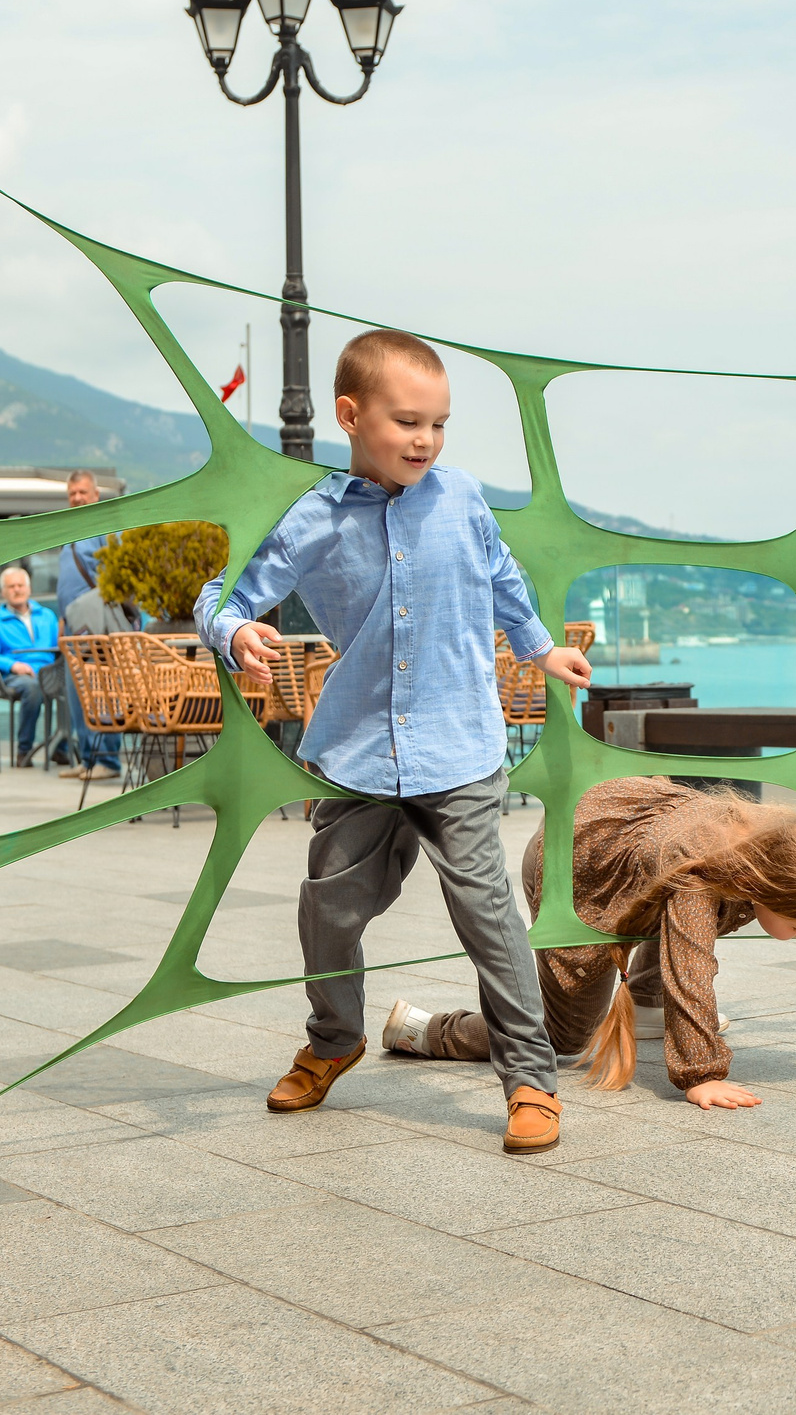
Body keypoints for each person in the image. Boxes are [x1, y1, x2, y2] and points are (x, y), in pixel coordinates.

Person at [198, 328, 597, 1154]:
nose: (426, 440)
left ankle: (531, 1077)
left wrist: (540, 647)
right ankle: (334, 1038)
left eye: (439, 423)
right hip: (358, 752)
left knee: (488, 915)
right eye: (407, 421)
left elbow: (502, 576)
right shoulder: (311, 517)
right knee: (328, 910)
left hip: (460, 748)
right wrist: (234, 630)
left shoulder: (462, 498)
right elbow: (225, 591)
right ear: (350, 415)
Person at [383, 777, 796, 1106]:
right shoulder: (698, 873)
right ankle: (429, 1029)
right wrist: (701, 1074)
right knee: (565, 1035)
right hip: (576, 867)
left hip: (635, 846)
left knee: (690, 920)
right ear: (763, 886)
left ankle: (646, 1006)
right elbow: (691, 966)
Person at [52, 470, 125, 782]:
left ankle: (107, 760)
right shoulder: (70, 532)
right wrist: (62, 620)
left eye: (82, 492)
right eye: (72, 494)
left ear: (96, 494)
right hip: (73, 625)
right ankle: (88, 759)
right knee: (77, 693)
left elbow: (117, 574)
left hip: (96, 624)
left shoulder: (104, 528)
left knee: (100, 689)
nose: (77, 498)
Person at [0, 565, 59, 768]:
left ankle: (62, 747)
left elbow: (59, 648)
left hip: (49, 672)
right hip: (15, 677)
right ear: (3, 592)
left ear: (29, 588)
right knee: (32, 688)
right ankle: (24, 750)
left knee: (75, 684)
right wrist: (13, 665)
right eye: (11, 586)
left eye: (21, 585)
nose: (17, 590)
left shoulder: (47, 616)